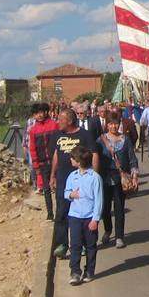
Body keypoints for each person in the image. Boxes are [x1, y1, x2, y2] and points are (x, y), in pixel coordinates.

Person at [50, 108, 98, 260]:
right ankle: (62, 244)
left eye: (61, 120)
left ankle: (82, 243)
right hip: (63, 180)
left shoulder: (85, 135)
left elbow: (94, 154)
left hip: (82, 180)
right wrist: (52, 175)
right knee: (61, 213)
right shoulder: (58, 135)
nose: (58, 122)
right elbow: (56, 155)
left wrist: (94, 175)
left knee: (81, 214)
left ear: (70, 121)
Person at [63, 145, 102, 285]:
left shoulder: (95, 178)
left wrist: (95, 219)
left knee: (90, 246)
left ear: (79, 161)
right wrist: (70, 195)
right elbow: (66, 192)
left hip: (89, 217)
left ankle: (89, 270)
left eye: (72, 158)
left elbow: (99, 200)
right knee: (75, 245)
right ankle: (75, 272)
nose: (71, 160)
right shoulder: (72, 176)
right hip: (74, 216)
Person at [98, 119, 138, 248]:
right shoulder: (101, 141)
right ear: (107, 125)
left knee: (119, 207)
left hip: (120, 178)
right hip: (105, 177)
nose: (113, 126)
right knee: (105, 208)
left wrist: (134, 176)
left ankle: (119, 236)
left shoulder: (125, 140)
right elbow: (95, 158)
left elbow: (132, 159)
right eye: (111, 123)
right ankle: (108, 230)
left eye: (116, 123)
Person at [27, 102, 59, 220]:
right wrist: (36, 166)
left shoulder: (54, 125)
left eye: (41, 112)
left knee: (58, 187)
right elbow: (32, 149)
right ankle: (50, 213)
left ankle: (60, 212)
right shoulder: (33, 131)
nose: (39, 115)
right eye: (36, 113)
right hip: (42, 163)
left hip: (56, 161)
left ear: (45, 112)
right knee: (46, 189)